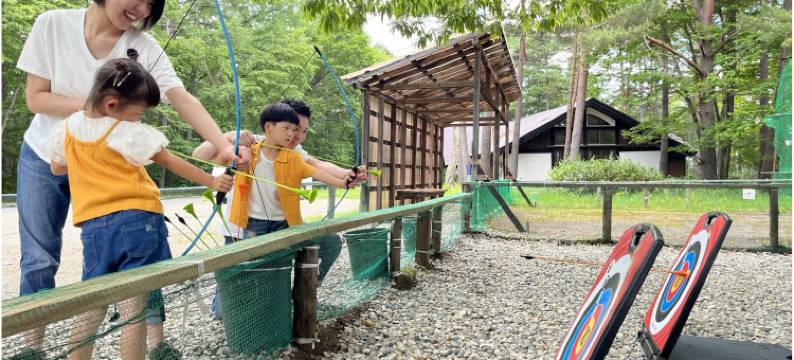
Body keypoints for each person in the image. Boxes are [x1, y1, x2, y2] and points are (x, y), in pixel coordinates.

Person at [15, 0, 243, 350]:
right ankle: (31, 348)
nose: (141, 9)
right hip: (45, 153)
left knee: (113, 284)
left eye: (150, 5)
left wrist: (223, 147)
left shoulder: (144, 48)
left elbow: (182, 98)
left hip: (100, 160)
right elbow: (36, 98)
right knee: (39, 257)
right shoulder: (52, 23)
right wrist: (102, 113)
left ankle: (158, 346)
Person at [48, 58, 233, 360]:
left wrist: (87, 162)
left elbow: (57, 167)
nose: (138, 119)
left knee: (92, 302)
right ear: (111, 105)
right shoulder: (125, 131)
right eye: (138, 113)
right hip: (137, 222)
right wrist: (212, 182)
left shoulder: (68, 128)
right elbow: (170, 160)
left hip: (94, 227)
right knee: (134, 306)